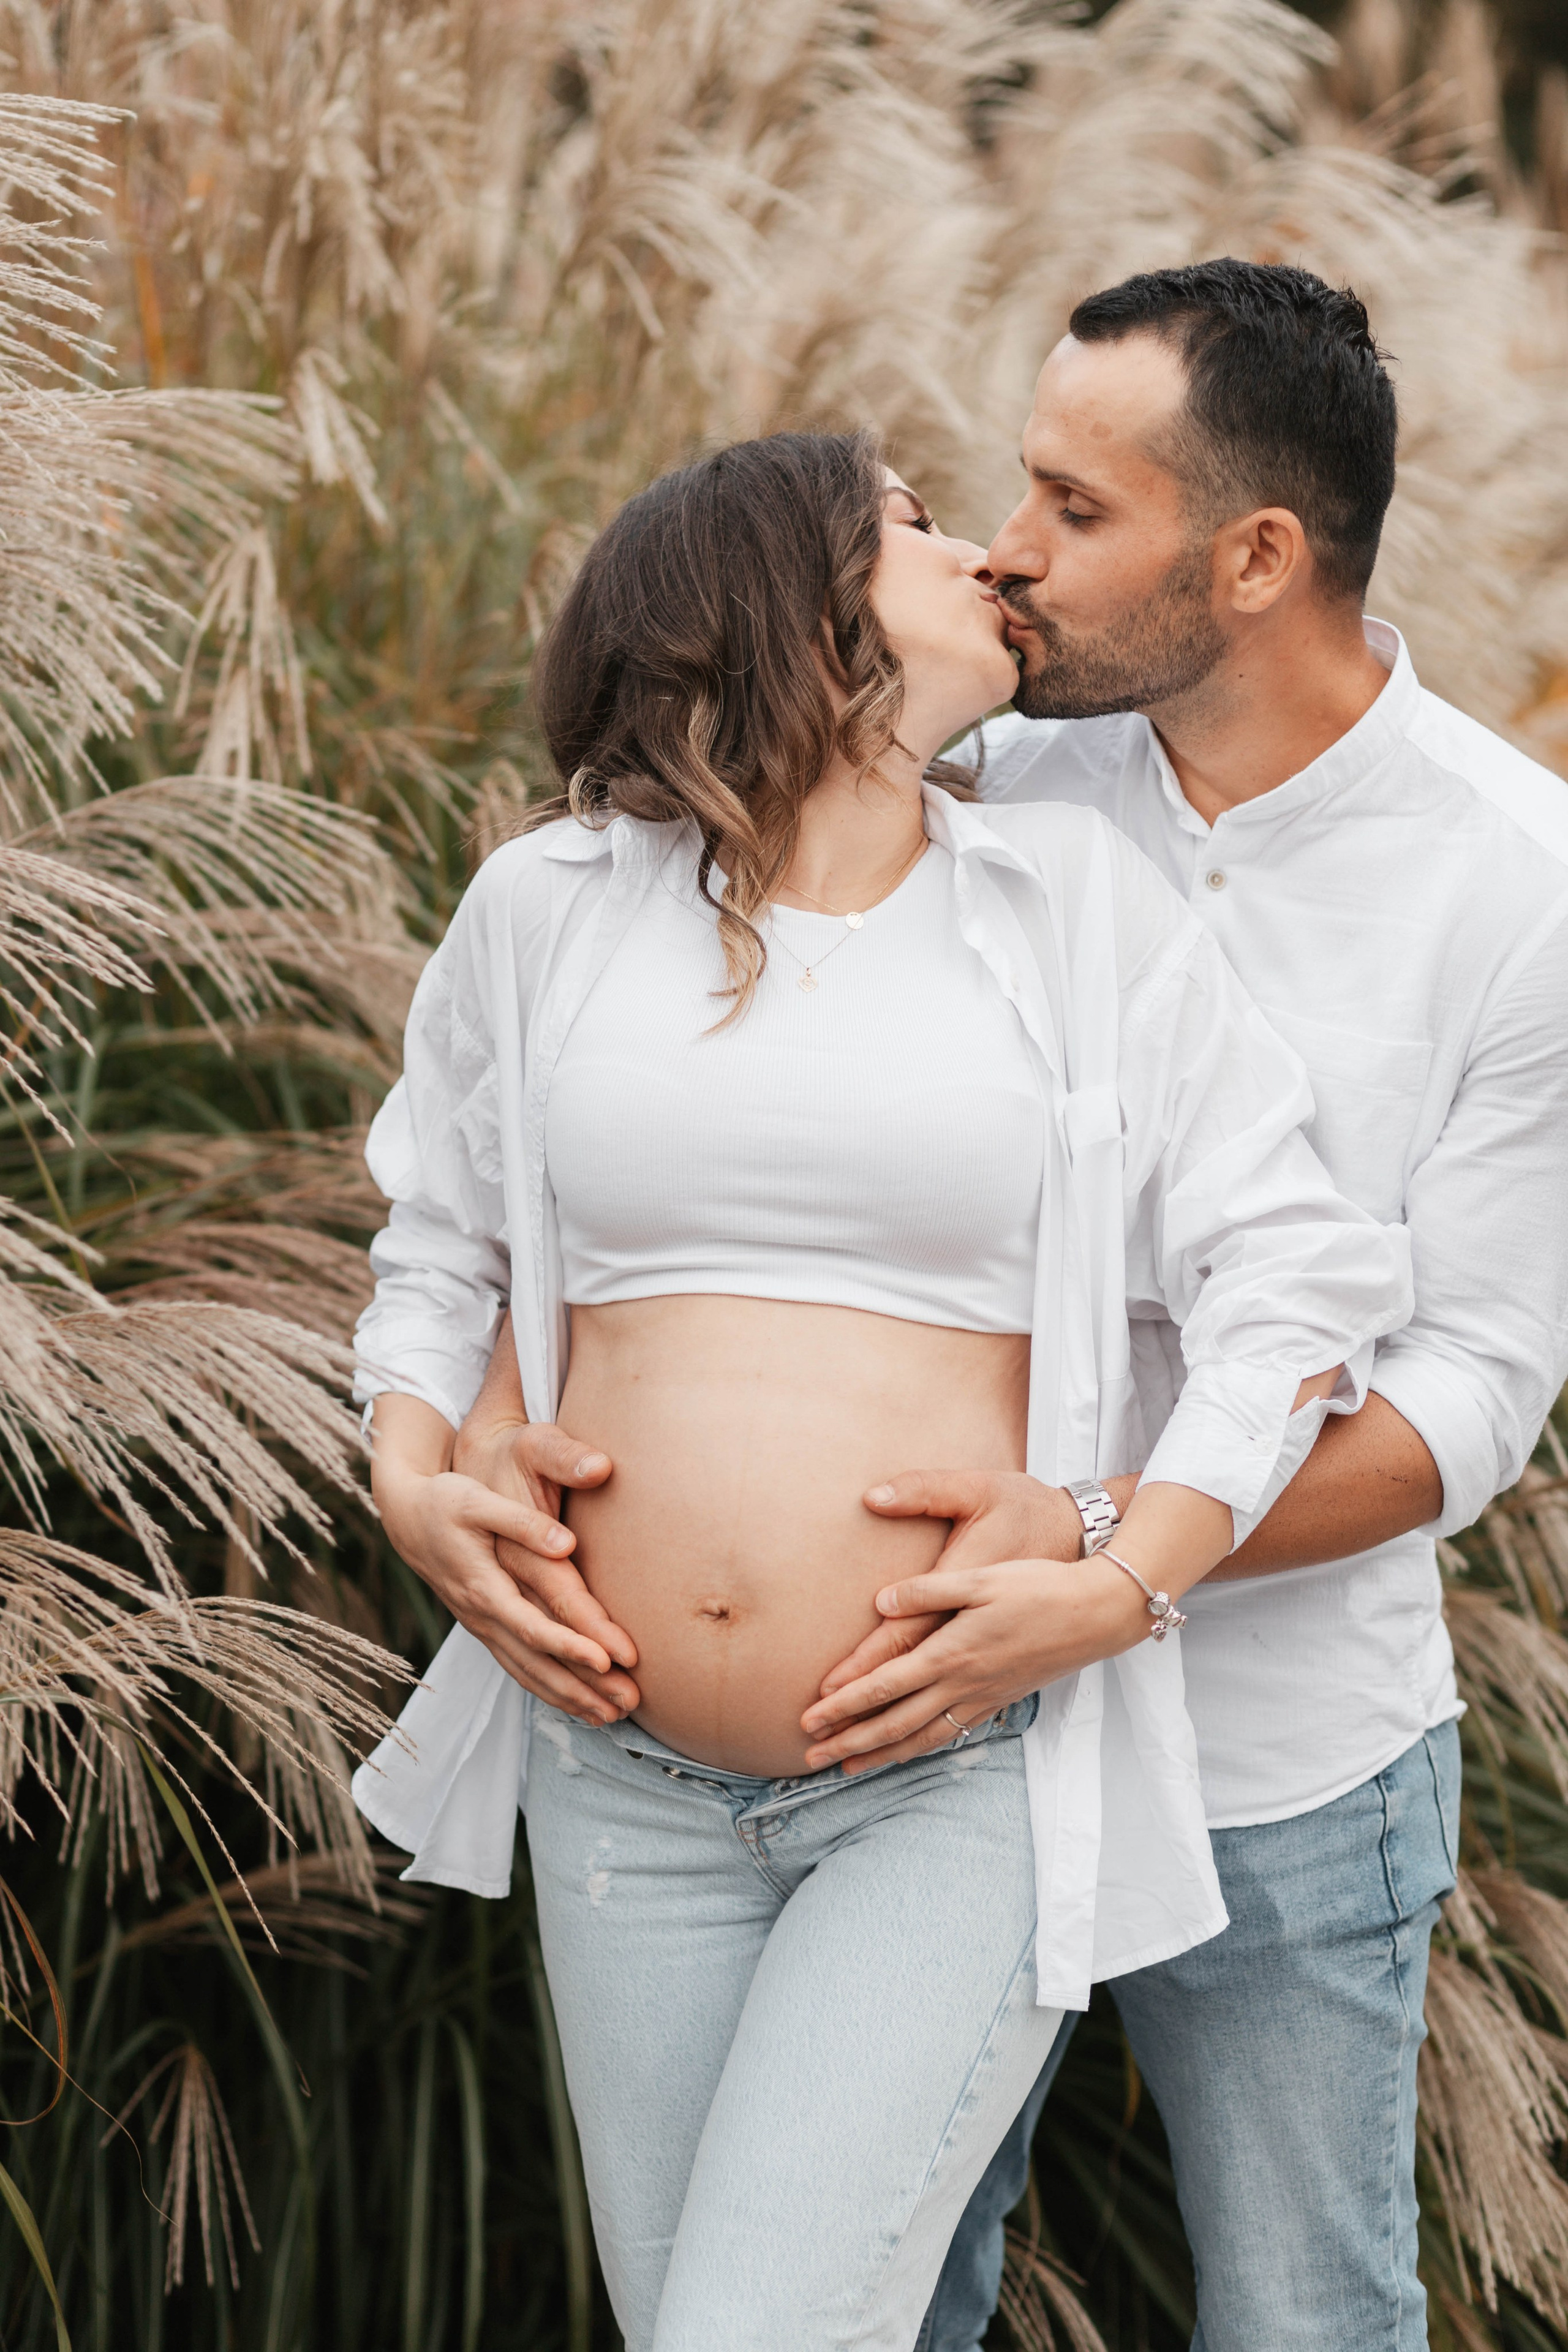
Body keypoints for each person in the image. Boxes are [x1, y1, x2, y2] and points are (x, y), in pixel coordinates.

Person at [444, 265, 1568, 2352]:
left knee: (1307, 2311)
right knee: (893, 2303)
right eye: (1000, 498)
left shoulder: (1521, 886)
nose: (1011, 550)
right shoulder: (972, 784)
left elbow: (1470, 1392)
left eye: (1073, 503)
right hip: (903, 1742)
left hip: (1279, 1749)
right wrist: (477, 1426)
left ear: (1255, 557)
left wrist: (1103, 1555)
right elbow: (619, 1152)